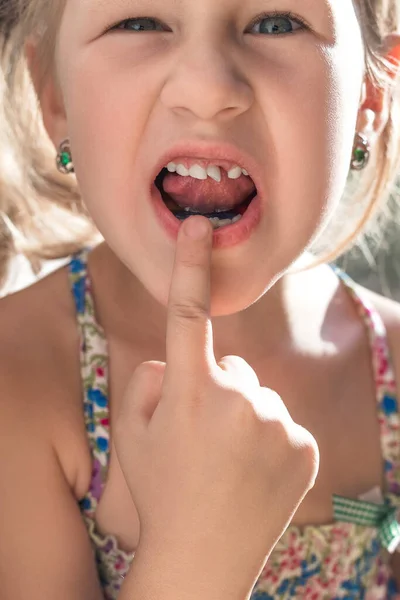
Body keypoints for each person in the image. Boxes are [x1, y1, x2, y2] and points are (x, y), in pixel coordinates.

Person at [0, 0, 399, 598]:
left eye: (275, 22)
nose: (209, 88)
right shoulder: (17, 382)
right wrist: (194, 559)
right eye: (138, 23)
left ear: (372, 95)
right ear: (54, 97)